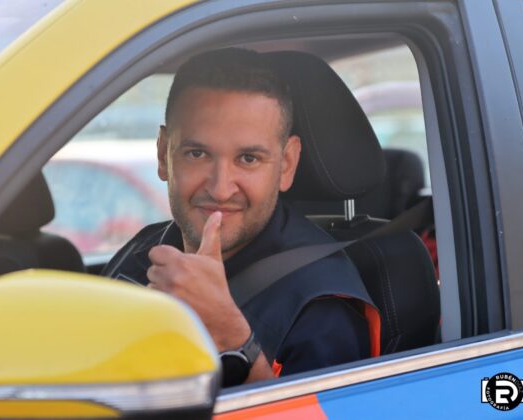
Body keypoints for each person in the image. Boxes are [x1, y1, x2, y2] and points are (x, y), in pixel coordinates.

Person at [103, 48, 377, 386]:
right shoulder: (143, 250)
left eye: (248, 158)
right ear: (163, 155)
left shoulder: (321, 303)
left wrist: (232, 340)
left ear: (286, 165)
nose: (220, 189)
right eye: (197, 153)